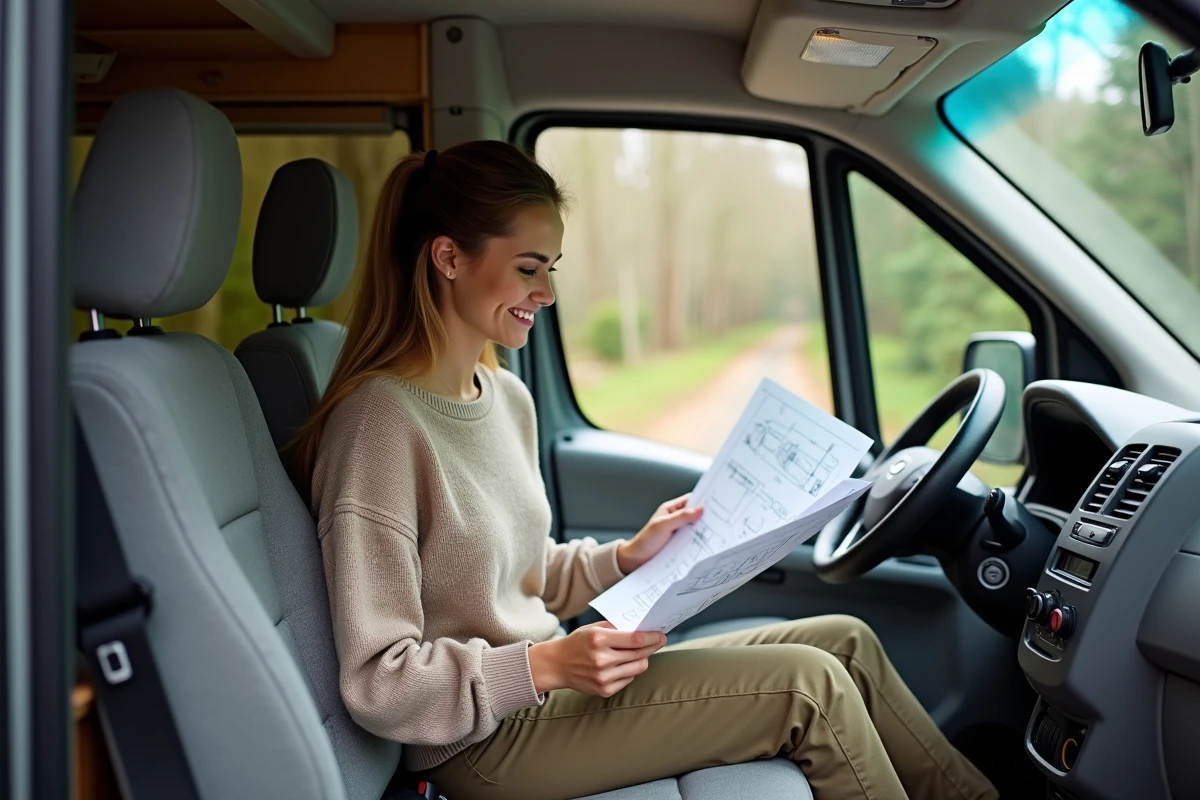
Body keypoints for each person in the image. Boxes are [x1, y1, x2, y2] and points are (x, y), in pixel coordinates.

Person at [295, 140, 999, 800]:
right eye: (528, 267)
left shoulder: (503, 395)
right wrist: (545, 666)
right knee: (807, 686)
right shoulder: (378, 426)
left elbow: (520, 574)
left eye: (552, 269)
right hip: (482, 740)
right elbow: (378, 682)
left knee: (847, 639)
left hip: (549, 689)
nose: (547, 293)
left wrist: (626, 557)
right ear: (449, 258)